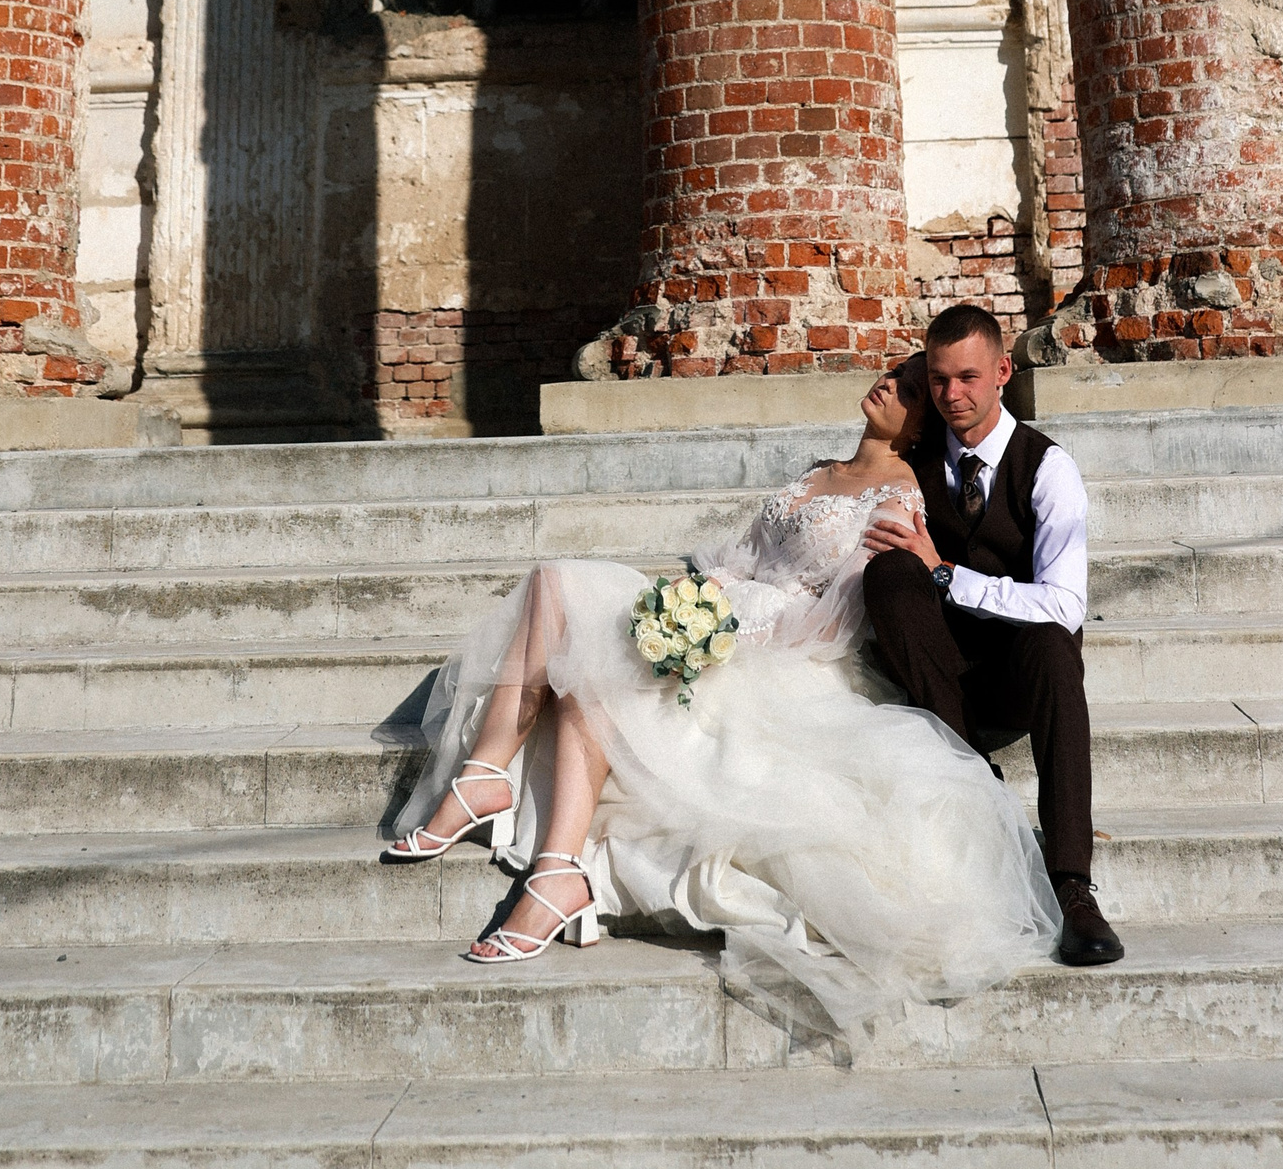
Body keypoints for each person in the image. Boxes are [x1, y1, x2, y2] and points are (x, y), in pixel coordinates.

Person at [377, 362, 1061, 1039]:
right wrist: (691, 605)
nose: (889, 386)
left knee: (595, 668)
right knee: (553, 583)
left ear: (919, 427)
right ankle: (486, 777)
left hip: (783, 660)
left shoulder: (900, 493)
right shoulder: (819, 470)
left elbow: (837, 621)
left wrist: (718, 637)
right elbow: (739, 561)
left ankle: (552, 869)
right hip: (720, 616)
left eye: (909, 391)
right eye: (893, 375)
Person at [862, 302, 1124, 968]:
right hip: (937, 672)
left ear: (1003, 372)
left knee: (1054, 644)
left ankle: (1072, 886)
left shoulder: (1048, 467)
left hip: (1017, 673)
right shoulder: (915, 461)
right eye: (939, 379)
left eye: (968, 377)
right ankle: (974, 772)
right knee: (889, 572)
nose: (952, 394)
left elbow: (1064, 604)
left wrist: (948, 574)